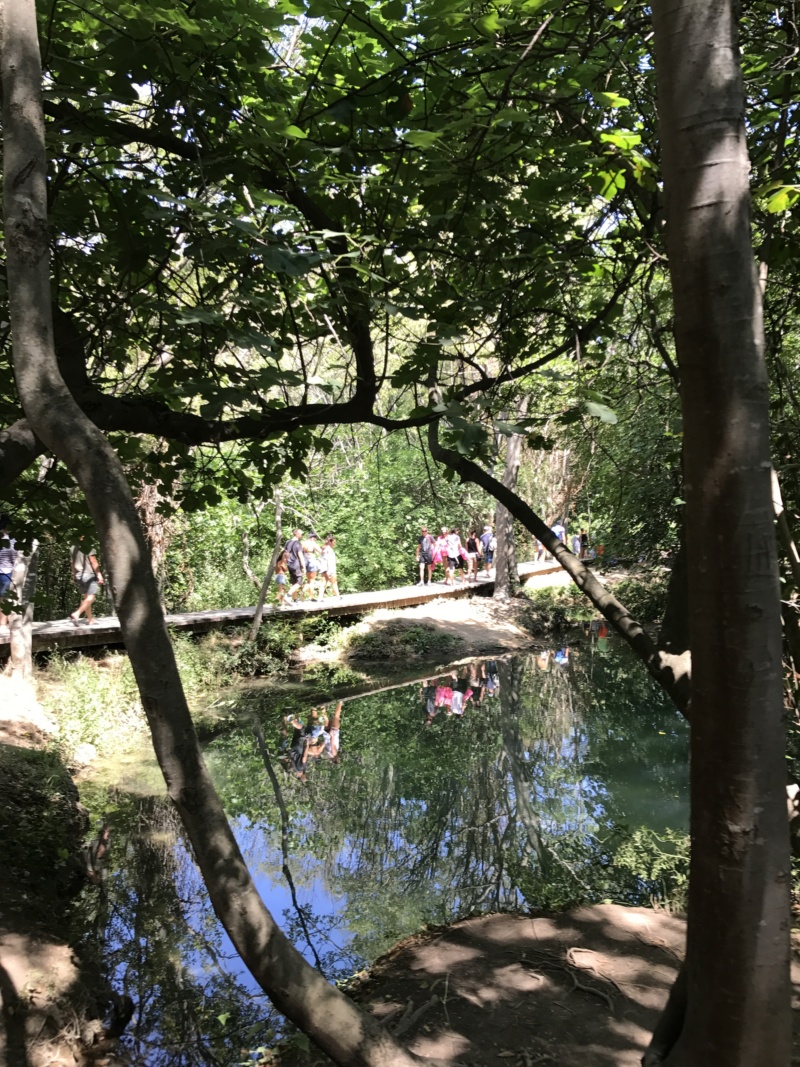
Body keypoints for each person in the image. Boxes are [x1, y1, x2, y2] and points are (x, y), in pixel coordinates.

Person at [70, 538, 105, 624]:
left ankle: (90, 620)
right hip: (88, 574)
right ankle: (77, 613)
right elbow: (93, 561)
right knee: (91, 597)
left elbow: (72, 562)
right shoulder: (88, 546)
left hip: (79, 575)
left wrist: (74, 575)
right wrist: (99, 575)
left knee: (86, 598)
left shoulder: (73, 547)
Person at [0, 515, 17, 627]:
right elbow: (14, 558)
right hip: (7, 572)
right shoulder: (11, 541)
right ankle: (2, 623)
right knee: (5, 599)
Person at [283, 529, 306, 603]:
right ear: (297, 534)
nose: (302, 535)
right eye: (301, 534)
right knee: (299, 582)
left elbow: (284, 553)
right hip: (296, 565)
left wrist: (284, 563)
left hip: (289, 564)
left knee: (293, 582)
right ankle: (288, 595)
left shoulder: (287, 542)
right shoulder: (297, 543)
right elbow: (300, 556)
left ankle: (295, 600)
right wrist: (304, 567)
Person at [318, 534, 339, 600]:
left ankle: (320, 597)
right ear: (330, 542)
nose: (334, 544)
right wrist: (329, 571)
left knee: (323, 583)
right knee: (334, 582)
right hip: (330, 569)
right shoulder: (329, 550)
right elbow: (329, 561)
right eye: (334, 542)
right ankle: (337, 596)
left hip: (323, 568)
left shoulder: (324, 549)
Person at [301, 531, 322, 599]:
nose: (315, 539)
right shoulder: (312, 543)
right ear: (312, 537)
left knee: (309, 580)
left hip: (304, 561)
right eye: (315, 538)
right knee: (312, 580)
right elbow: (320, 551)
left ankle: (304, 592)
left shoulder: (303, 543)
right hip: (311, 560)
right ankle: (310, 596)